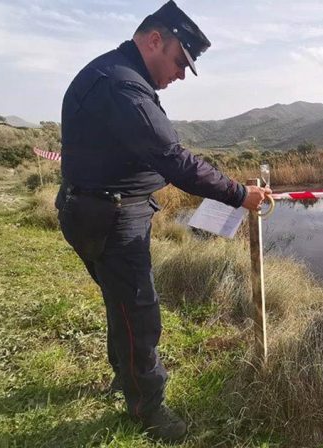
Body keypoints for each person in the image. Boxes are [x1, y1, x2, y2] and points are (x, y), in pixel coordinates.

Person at [54, 0, 271, 441]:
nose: (180, 75)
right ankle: (148, 410)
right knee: (140, 313)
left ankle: (126, 378)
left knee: (122, 307)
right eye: (179, 61)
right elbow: (175, 161)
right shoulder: (123, 88)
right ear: (155, 40)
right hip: (111, 218)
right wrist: (239, 194)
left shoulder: (112, 74)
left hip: (93, 210)